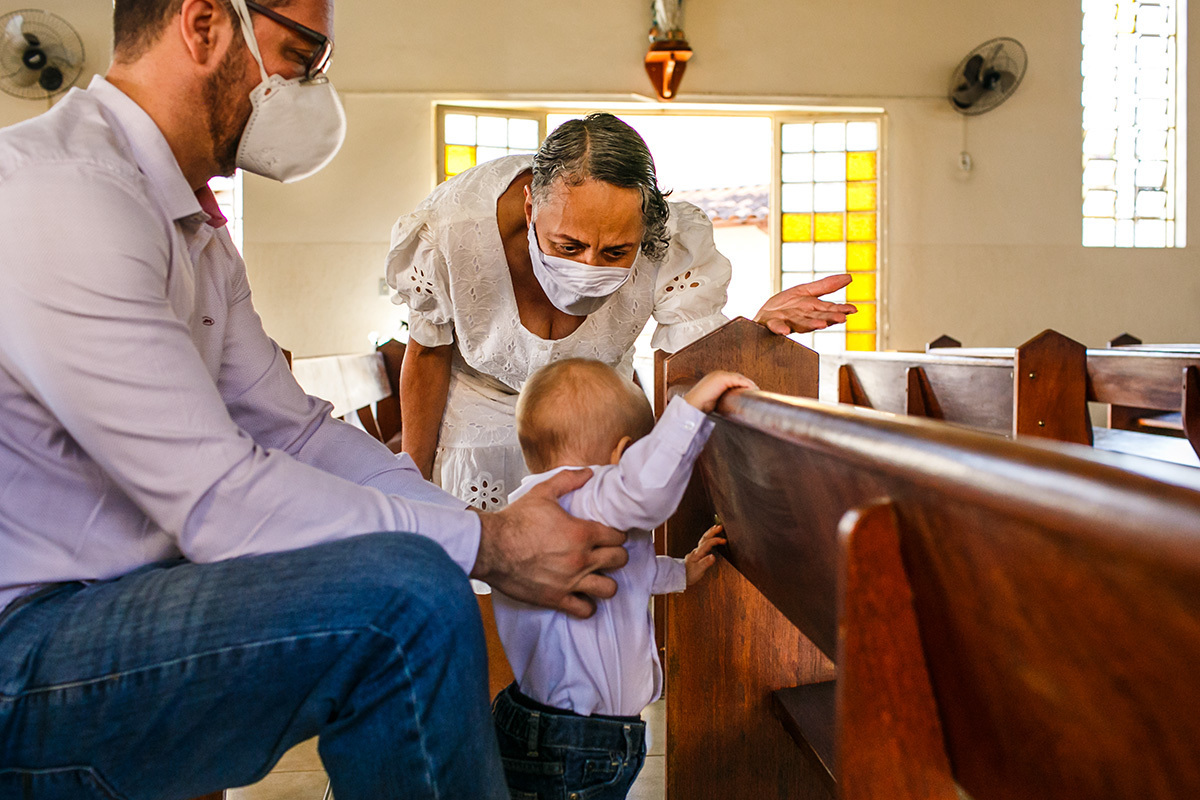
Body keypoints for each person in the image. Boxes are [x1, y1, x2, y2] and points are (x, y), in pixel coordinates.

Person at [0, 2, 627, 798]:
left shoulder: (185, 220)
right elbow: (218, 498)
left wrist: (488, 529)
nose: (309, 88)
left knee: (418, 583)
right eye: (300, 56)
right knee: (407, 604)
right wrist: (488, 548)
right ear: (202, 25)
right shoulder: (65, 193)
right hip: (27, 642)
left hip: (119, 602)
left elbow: (294, 433)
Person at [388, 112, 857, 512]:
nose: (587, 266)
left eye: (615, 252)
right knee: (480, 579)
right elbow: (428, 354)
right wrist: (409, 485)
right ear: (531, 205)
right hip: (476, 412)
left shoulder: (671, 239)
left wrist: (755, 327)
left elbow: (695, 357)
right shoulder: (451, 230)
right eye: (567, 245)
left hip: (598, 418)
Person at [490, 360, 751, 799]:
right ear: (624, 454)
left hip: (539, 720)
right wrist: (691, 409)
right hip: (575, 740)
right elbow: (646, 491)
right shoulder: (591, 493)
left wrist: (681, 571)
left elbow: (627, 570)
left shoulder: (529, 512)